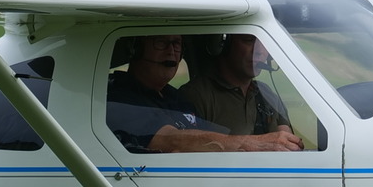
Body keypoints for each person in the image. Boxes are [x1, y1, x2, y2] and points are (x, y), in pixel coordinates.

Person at [105, 34, 302, 154]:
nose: (171, 52)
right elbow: (173, 141)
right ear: (135, 48)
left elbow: (216, 142)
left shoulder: (177, 99)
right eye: (161, 43)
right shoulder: (118, 98)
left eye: (177, 44)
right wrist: (256, 144)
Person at [182, 33, 303, 149]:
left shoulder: (267, 94)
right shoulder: (197, 95)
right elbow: (184, 150)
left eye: (265, 43)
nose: (260, 51)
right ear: (224, 44)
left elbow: (289, 146)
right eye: (249, 40)